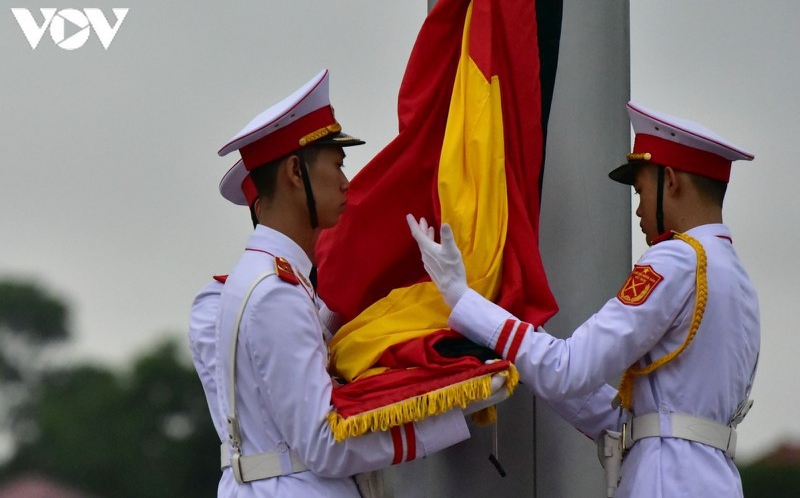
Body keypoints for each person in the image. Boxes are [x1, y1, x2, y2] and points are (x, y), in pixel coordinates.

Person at [406, 101, 760, 497]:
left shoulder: (676, 259)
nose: (640, 209)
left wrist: (463, 301)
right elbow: (632, 417)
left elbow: (568, 370)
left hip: (667, 482)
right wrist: (522, 335)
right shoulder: (736, 277)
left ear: (672, 181)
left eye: (641, 190)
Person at [204, 70, 471, 497]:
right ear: (295, 172)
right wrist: (445, 414)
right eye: (337, 165)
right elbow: (324, 446)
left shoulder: (259, 280)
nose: (347, 182)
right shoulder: (274, 291)